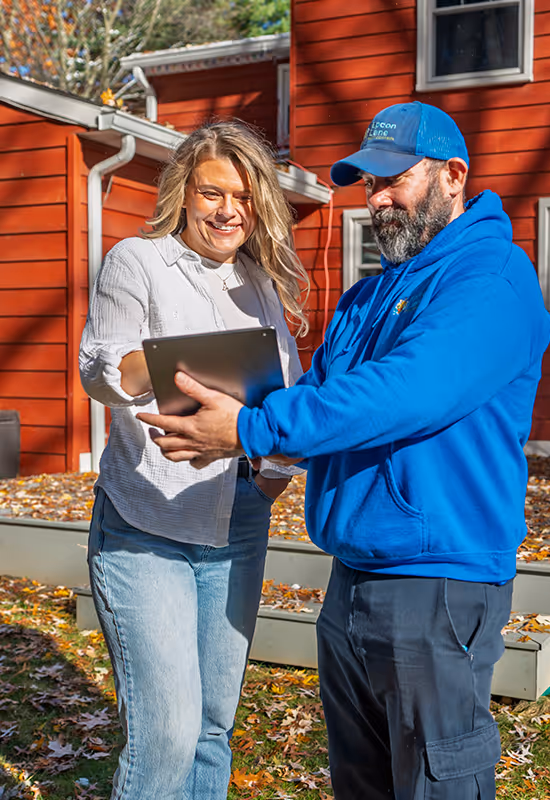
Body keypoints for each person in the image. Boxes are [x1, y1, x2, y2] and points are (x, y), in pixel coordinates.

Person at [138, 102, 550, 800]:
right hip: (353, 579)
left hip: (438, 583)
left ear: (455, 176)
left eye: (397, 179)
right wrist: (228, 422)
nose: (380, 199)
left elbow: (405, 392)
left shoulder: (492, 280)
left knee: (435, 785)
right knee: (361, 782)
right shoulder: (367, 298)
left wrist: (248, 427)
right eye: (369, 184)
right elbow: (316, 401)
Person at [79, 120, 308, 800]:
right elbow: (99, 369)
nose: (228, 210)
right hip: (147, 519)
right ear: (184, 193)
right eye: (212, 192)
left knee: (213, 726)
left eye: (243, 196)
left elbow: (286, 390)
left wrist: (271, 479)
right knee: (169, 732)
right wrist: (171, 370)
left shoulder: (259, 283)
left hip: (237, 516)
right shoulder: (136, 261)